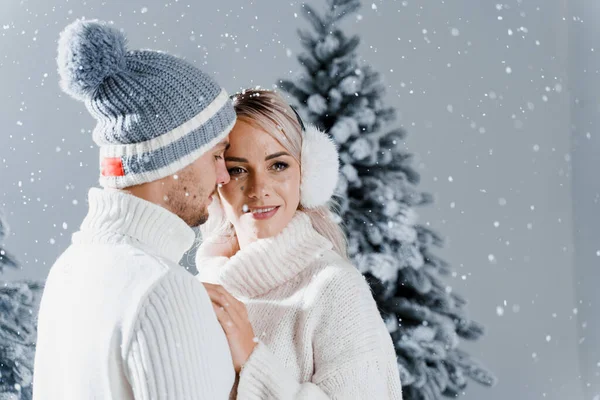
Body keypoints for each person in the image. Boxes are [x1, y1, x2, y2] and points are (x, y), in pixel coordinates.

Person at [33, 19, 237, 399]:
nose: (224, 175)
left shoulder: (68, 271)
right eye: (217, 154)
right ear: (173, 156)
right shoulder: (162, 289)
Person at [196, 89, 403, 399]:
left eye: (278, 165)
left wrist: (252, 362)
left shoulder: (335, 289)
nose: (258, 188)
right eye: (238, 169)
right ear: (216, 179)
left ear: (306, 173)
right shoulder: (200, 289)